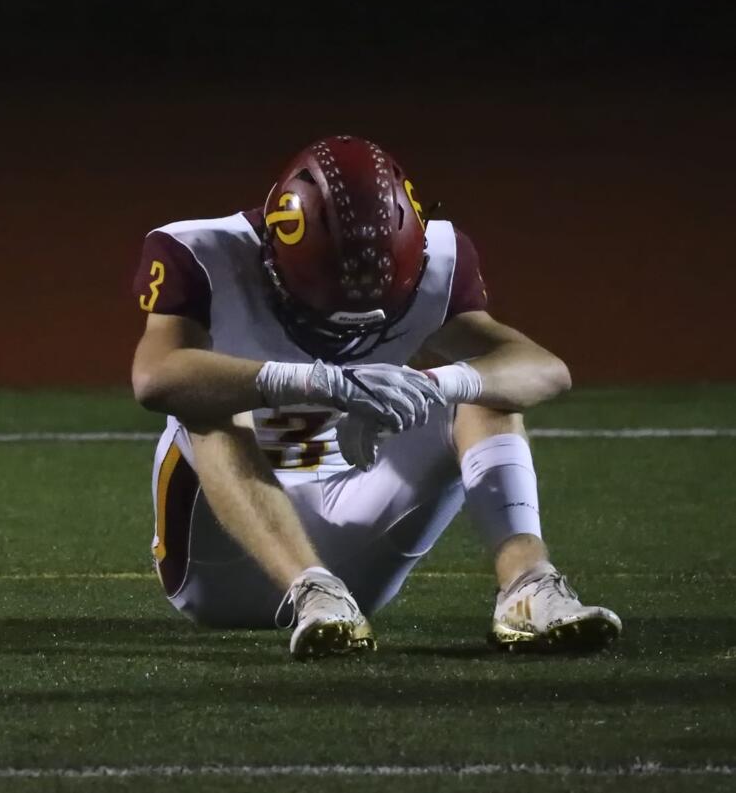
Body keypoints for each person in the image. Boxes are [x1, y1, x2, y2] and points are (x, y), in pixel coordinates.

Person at [130, 135, 621, 659]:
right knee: (205, 405)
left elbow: (545, 370)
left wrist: (433, 385)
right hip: (219, 565)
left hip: (357, 560)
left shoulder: (440, 259)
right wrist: (319, 381)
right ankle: (309, 588)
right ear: (270, 257)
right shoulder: (202, 253)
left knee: (484, 387)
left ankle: (526, 586)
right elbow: (156, 376)